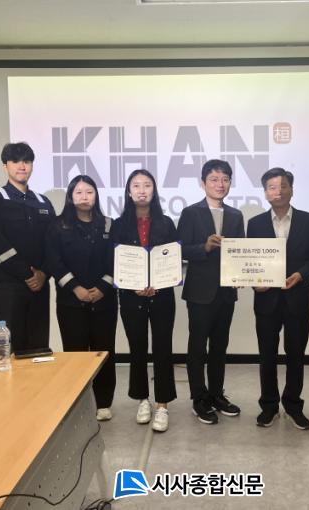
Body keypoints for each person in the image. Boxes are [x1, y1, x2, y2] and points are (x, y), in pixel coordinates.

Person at [246, 168, 309, 430]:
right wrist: (255, 282)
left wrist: (301, 275)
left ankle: (293, 405)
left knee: (296, 355)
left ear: (292, 189)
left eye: (283, 186)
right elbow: (250, 261)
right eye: (271, 187)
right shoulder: (255, 224)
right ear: (265, 192)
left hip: (297, 298)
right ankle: (268, 406)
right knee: (267, 355)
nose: (277, 191)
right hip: (266, 300)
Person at [177, 159, 245, 425]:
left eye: (225, 179)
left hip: (226, 292)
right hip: (199, 291)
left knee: (220, 346)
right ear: (203, 183)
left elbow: (240, 252)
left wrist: (242, 274)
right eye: (214, 179)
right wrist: (204, 247)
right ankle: (199, 398)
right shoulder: (191, 213)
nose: (220, 184)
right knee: (197, 347)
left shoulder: (236, 216)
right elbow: (179, 249)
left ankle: (217, 394)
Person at [44, 175, 117, 421]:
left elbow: (116, 259)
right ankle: (77, 402)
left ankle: (103, 402)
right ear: (71, 196)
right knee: (75, 353)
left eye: (89, 192)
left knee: (104, 352)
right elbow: (54, 261)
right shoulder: (57, 226)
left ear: (96, 195)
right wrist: (76, 288)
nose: (84, 197)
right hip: (70, 301)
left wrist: (102, 288)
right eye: (79, 192)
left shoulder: (109, 225)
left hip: (104, 300)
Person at [110, 169, 178, 433]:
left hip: (162, 296)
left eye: (147, 185)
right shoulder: (118, 225)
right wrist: (134, 285)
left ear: (154, 190)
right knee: (137, 348)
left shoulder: (166, 223)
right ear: (129, 192)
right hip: (130, 296)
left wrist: (158, 283)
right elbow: (113, 261)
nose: (141, 190)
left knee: (163, 347)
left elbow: (173, 260)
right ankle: (142, 400)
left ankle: (162, 405)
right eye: (136, 185)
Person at [0, 142, 55, 353]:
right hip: (8, 287)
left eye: (27, 161)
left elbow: (53, 244)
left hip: (40, 287)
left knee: (39, 350)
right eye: (16, 161)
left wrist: (44, 274)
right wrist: (27, 274)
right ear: (5, 166)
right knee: (10, 351)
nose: (22, 166)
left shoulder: (43, 202)